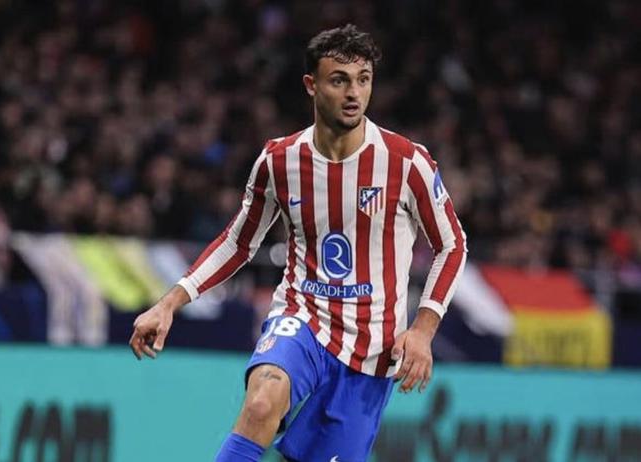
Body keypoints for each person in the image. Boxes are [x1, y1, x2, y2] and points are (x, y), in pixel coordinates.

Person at [130, 24, 467, 462]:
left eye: (363, 79)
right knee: (261, 403)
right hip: (302, 316)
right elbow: (239, 242)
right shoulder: (279, 160)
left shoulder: (406, 162)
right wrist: (169, 303)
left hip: (372, 349)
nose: (354, 93)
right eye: (339, 80)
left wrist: (422, 331)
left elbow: (452, 244)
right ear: (311, 85)